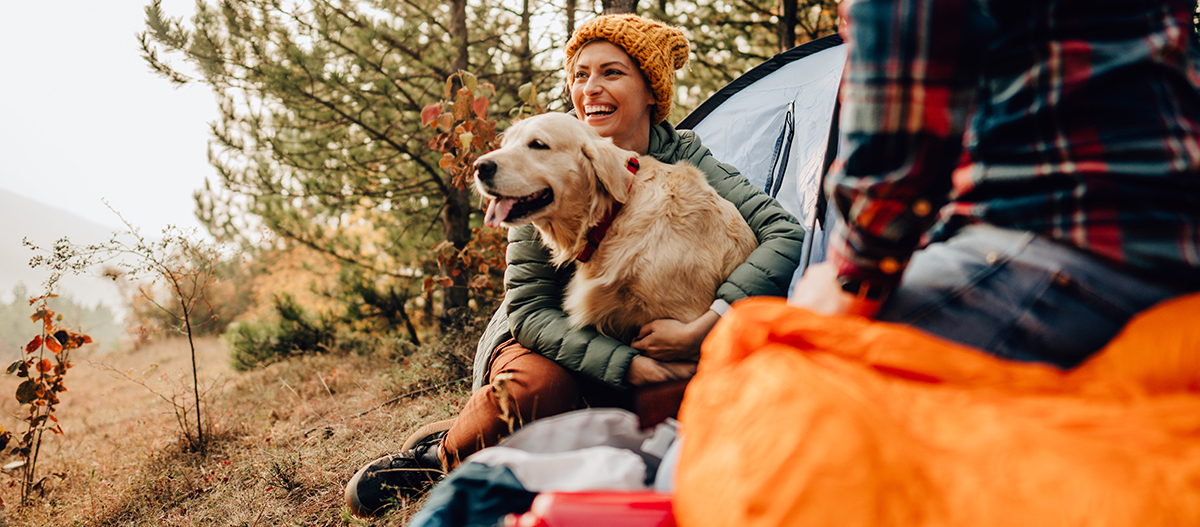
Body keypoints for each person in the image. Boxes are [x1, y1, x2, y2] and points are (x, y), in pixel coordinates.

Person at [344, 13, 805, 518]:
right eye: (580, 75)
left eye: (612, 73)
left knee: (680, 411)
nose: (591, 89)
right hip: (554, 339)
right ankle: (441, 458)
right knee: (538, 392)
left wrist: (708, 322)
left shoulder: (687, 158)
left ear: (650, 90)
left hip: (662, 335)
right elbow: (531, 309)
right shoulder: (540, 163)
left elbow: (784, 234)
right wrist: (625, 365)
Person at [791, 0, 1200, 367]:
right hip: (1177, 240)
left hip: (1059, 235)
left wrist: (857, 273)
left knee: (787, 361)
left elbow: (910, 24)